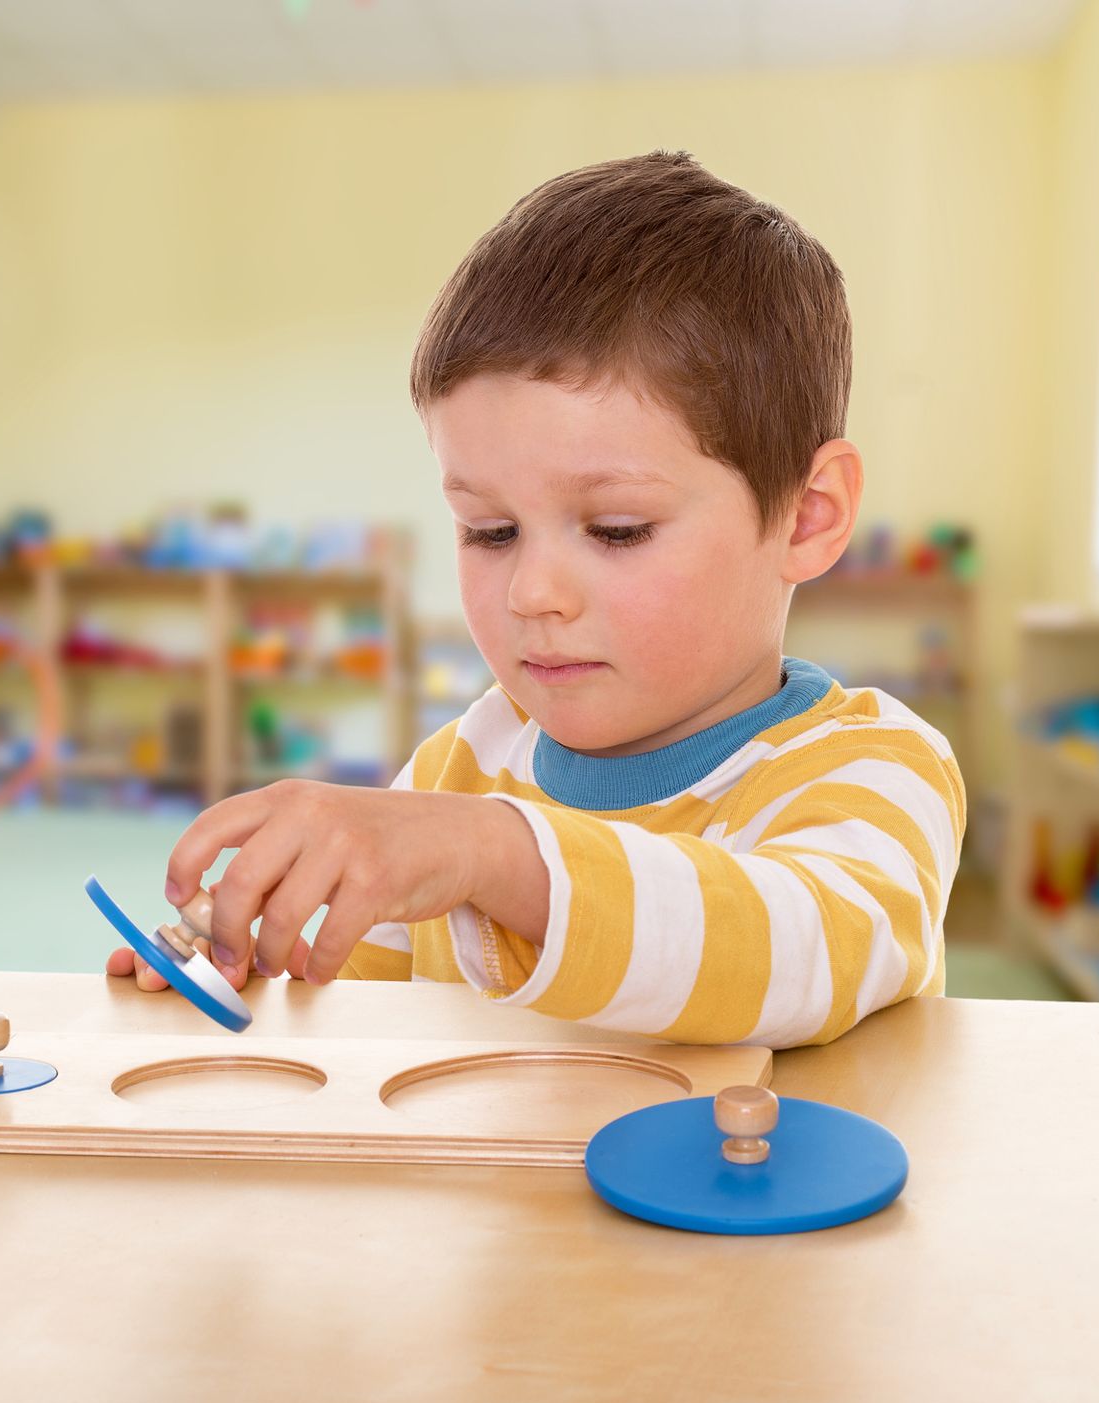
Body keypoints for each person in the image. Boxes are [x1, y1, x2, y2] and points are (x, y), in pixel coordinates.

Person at [107, 151, 963, 1048]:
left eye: (619, 528)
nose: (533, 593)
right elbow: (372, 1025)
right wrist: (249, 977)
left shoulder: (873, 770)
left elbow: (799, 952)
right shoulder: (463, 767)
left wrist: (492, 852)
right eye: (489, 530)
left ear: (806, 518)